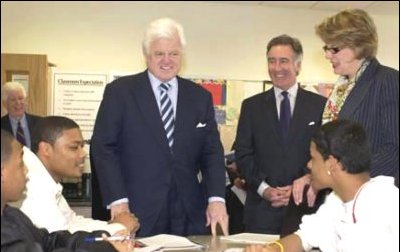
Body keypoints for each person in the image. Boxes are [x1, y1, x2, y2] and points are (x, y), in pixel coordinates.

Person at [91, 18, 228, 237]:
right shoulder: (120, 92)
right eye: (159, 54)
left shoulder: (199, 97)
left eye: (173, 53)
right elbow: (103, 147)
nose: (167, 60)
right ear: (146, 55)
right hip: (137, 210)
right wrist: (117, 200)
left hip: (189, 211)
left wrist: (216, 199)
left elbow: (211, 152)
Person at [243, 119, 399, 252]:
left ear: (332, 164)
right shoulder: (337, 199)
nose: (309, 165)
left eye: (313, 158)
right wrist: (271, 250)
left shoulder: (379, 198)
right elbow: (304, 238)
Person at [1, 129, 130, 252]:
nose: (26, 171)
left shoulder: (11, 217)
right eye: (20, 164)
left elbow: (49, 242)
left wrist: (102, 239)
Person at [292, 9, 399, 207]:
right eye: (326, 47)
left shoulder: (388, 81)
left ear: (358, 46)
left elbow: (393, 150)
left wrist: (342, 179)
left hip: (374, 201)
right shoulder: (341, 90)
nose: (326, 55)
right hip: (341, 200)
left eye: (334, 49)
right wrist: (313, 175)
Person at [235, 34, 326, 235]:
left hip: (306, 210)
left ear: (298, 65)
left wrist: (302, 184)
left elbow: (324, 155)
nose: (277, 68)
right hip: (261, 212)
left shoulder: (319, 106)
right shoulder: (251, 107)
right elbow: (242, 154)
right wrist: (264, 188)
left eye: (283, 61)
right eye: (271, 61)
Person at [19, 116, 139, 235]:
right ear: (46, 149)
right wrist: (118, 227)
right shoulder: (31, 182)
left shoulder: (45, 179)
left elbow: (72, 222)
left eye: (82, 146)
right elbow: (59, 239)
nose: (83, 154)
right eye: (74, 147)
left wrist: (113, 225)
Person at [1, 81, 42, 149]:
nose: (18, 103)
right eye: (13, 100)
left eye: (21, 98)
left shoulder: (39, 123)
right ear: (5, 104)